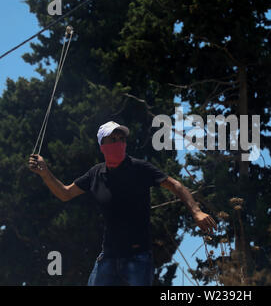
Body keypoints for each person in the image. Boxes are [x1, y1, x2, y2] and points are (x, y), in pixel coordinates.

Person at [28, 121, 217, 286]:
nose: (119, 143)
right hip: (108, 257)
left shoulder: (140, 168)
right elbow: (65, 193)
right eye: (114, 139)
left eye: (122, 139)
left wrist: (196, 212)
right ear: (102, 145)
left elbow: (176, 185)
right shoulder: (95, 174)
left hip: (139, 257)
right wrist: (45, 173)